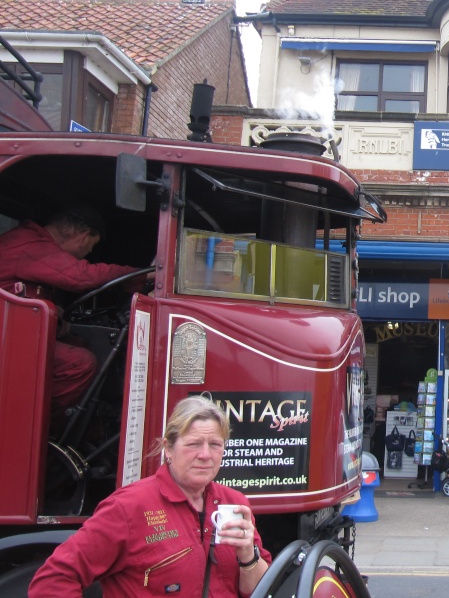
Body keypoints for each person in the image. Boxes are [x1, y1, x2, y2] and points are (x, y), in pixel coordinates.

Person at [29, 395, 271, 597]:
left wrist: (248, 555)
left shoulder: (235, 502)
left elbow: (259, 590)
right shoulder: (128, 507)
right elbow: (53, 580)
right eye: (193, 444)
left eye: (215, 445)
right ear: (168, 448)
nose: (205, 455)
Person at [0, 203, 144, 413]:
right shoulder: (31, 244)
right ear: (83, 236)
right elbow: (79, 276)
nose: (88, 252)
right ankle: (44, 426)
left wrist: (54, 312)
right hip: (8, 341)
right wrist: (139, 275)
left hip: (14, 335)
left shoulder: (30, 244)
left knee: (79, 343)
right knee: (79, 363)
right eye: (91, 246)